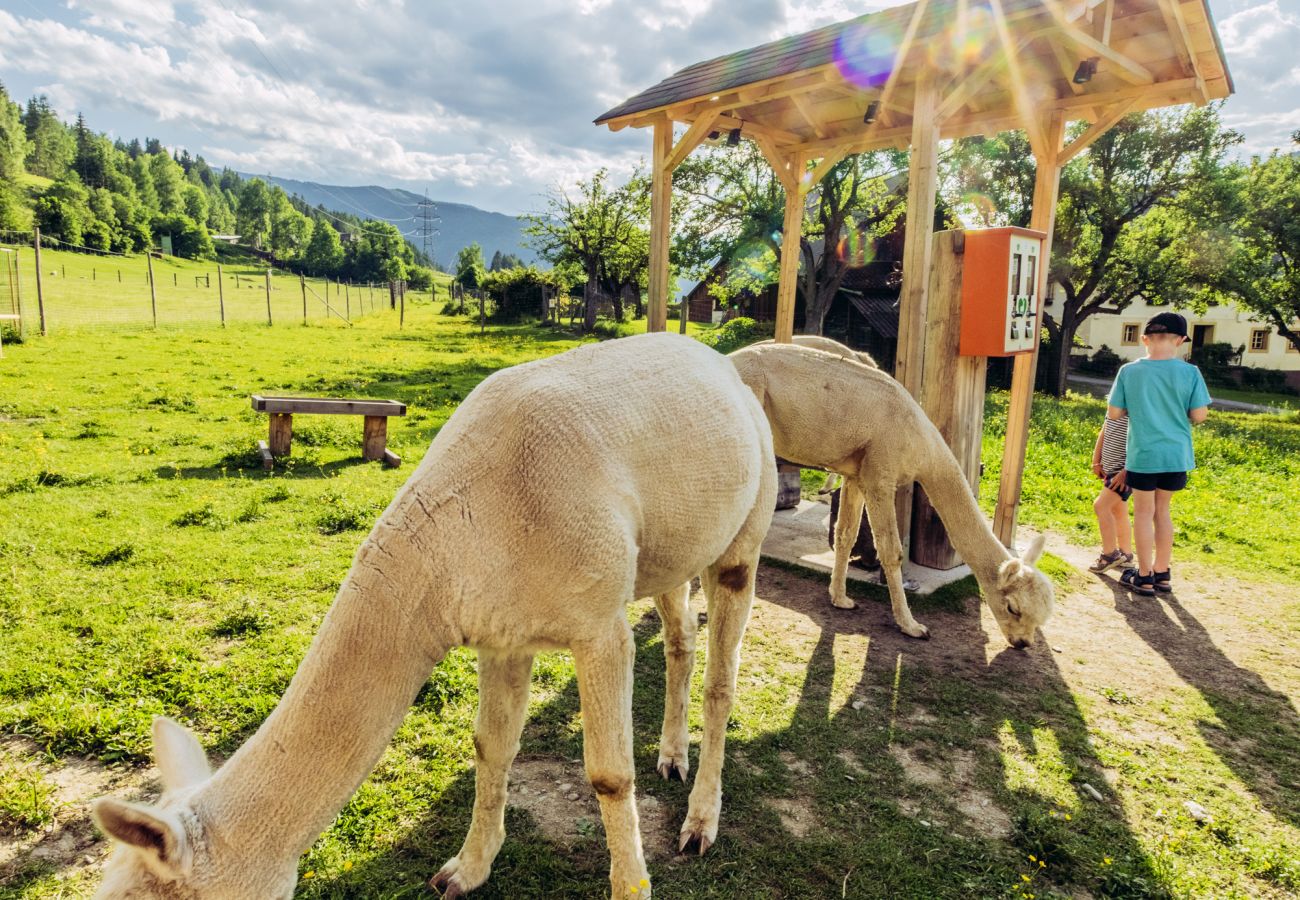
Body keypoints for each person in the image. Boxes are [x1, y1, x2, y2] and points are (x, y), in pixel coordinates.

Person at [1106, 312, 1211, 596]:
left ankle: (1143, 575)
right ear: (1180, 341)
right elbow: (1200, 415)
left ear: (1144, 340)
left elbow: (1114, 413)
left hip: (1143, 454)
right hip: (1176, 454)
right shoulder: (1191, 373)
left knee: (1143, 512)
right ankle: (1162, 572)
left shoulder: (1129, 372)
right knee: (1163, 512)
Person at [1087, 412, 1133, 573]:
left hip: (1125, 471)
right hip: (1111, 468)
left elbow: (1142, 440)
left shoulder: (1140, 404)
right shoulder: (1116, 402)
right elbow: (1105, 429)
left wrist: (1127, 470)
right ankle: (1126, 555)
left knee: (1100, 506)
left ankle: (1109, 555)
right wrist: (1096, 461)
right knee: (1118, 510)